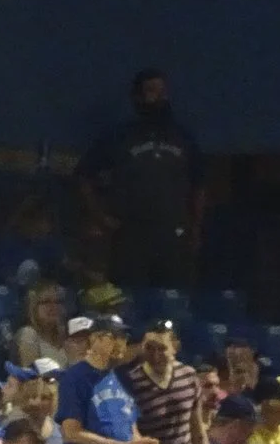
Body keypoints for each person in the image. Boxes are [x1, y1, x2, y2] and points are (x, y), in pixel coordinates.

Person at [73, 67, 200, 290]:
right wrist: (100, 217)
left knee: (171, 300)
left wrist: (195, 229)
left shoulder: (184, 138)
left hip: (172, 236)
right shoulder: (120, 137)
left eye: (162, 91)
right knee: (129, 297)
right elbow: (83, 175)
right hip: (130, 236)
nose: (159, 97)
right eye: (152, 91)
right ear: (138, 97)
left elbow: (199, 185)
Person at [51, 314, 157, 444]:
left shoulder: (123, 378)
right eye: (114, 336)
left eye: (124, 337)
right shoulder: (76, 378)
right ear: (96, 339)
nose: (121, 343)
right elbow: (72, 433)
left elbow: (130, 427)